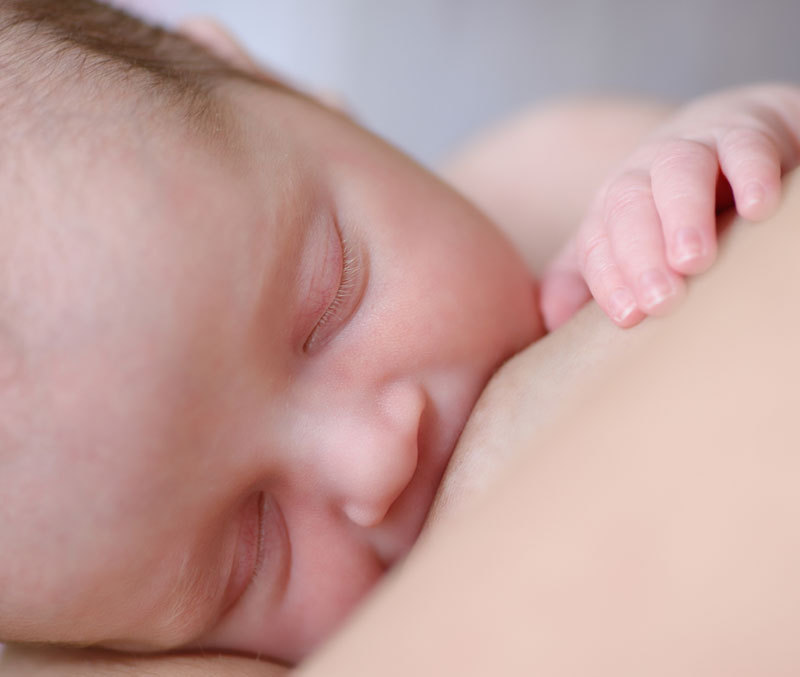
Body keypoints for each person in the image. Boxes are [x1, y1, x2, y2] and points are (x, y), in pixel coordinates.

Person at [1, 0, 799, 671]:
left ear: (273, 83)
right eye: (248, 554)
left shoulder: (557, 170)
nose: (374, 459)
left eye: (331, 303)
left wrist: (739, 142)